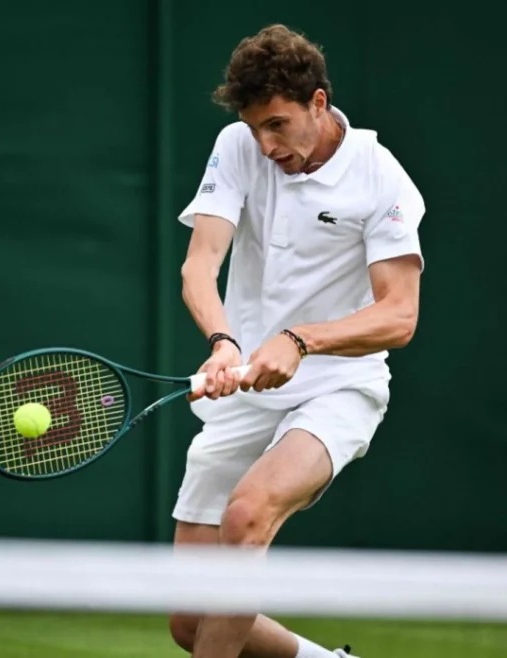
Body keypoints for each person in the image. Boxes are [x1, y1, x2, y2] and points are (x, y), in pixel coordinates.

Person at [169, 24, 424, 658]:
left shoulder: (381, 178)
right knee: (189, 622)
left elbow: (399, 316)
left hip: (340, 386)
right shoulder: (238, 147)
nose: (265, 143)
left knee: (247, 514)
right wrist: (225, 341)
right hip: (246, 385)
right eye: (255, 127)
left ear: (318, 102)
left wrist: (301, 340)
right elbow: (200, 264)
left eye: (277, 125)